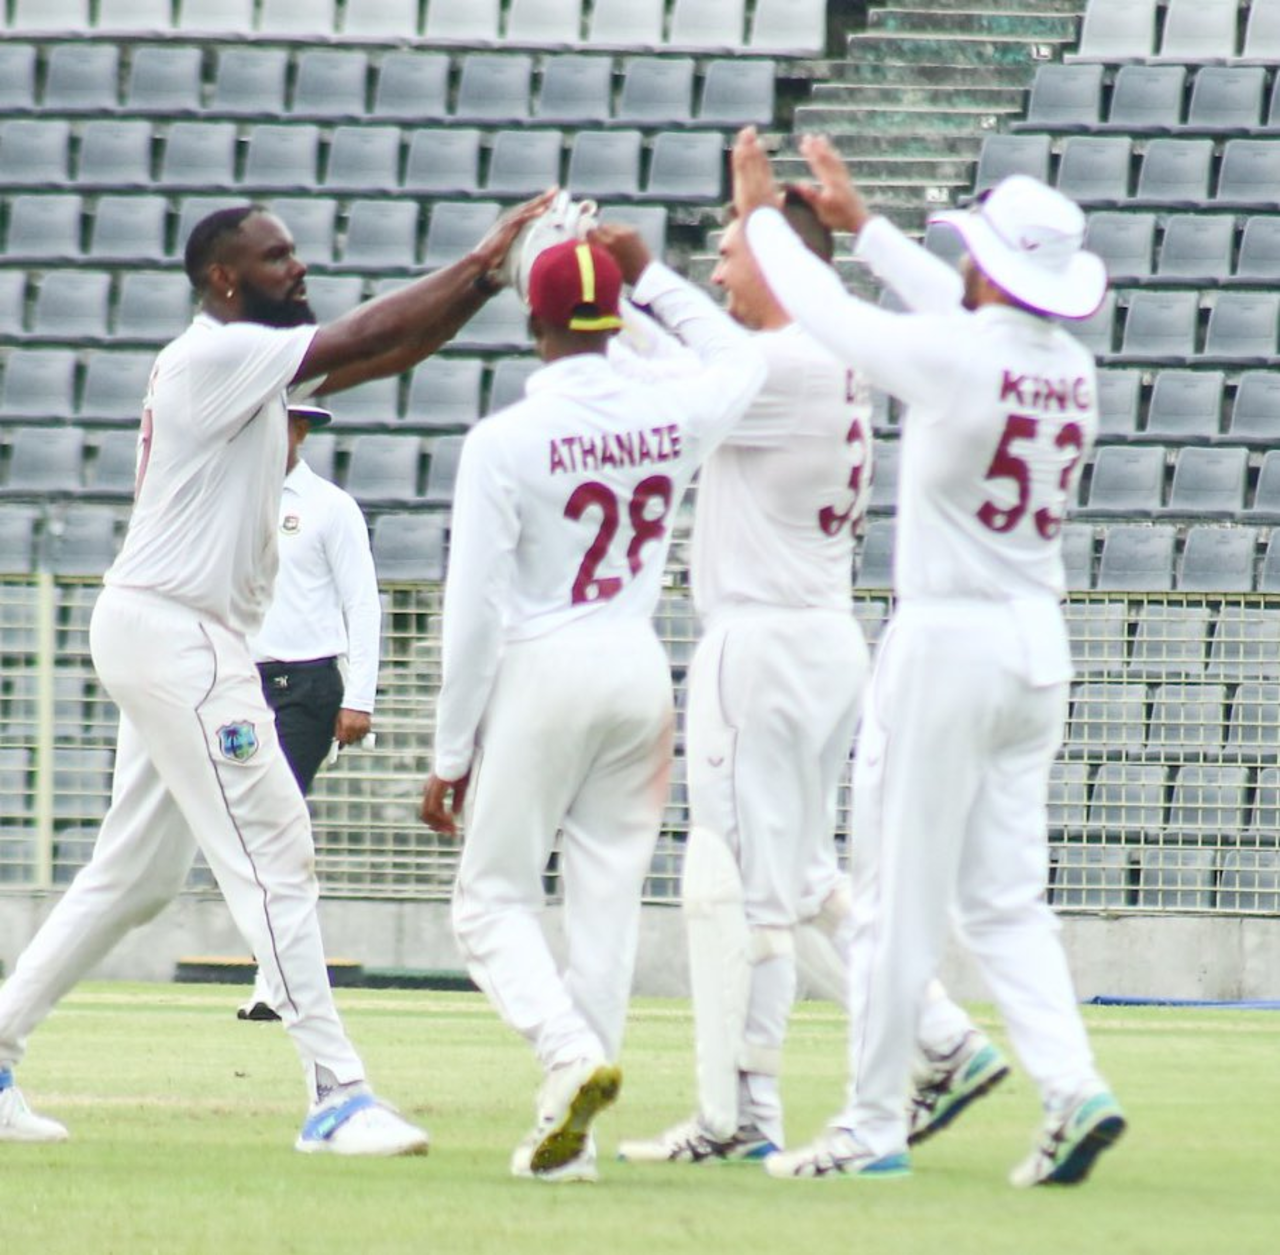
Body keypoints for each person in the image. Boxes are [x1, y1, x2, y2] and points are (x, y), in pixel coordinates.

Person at [0, 190, 553, 1154]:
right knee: (275, 847)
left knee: (135, 877)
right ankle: (336, 1093)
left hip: (163, 629)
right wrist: (481, 260)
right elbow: (364, 332)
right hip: (181, 635)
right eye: (275, 255)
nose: (297, 266)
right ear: (223, 278)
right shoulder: (216, 353)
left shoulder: (248, 362)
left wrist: (490, 281)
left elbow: (392, 352)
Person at [730, 127, 1127, 1187]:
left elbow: (827, 315)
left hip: (948, 641)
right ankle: (1071, 1086)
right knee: (1004, 900)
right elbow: (955, 312)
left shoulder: (958, 357)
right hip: (1035, 646)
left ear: (986, 264)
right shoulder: (1070, 370)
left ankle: (870, 1125)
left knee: (892, 899)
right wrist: (864, 229)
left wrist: (764, 221)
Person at [420, 230, 767, 1182]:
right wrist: (655, 276)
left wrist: (452, 750)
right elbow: (741, 358)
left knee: (490, 902)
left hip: (544, 663)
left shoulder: (503, 440)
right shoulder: (669, 408)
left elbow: (474, 609)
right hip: (637, 662)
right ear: (617, 318)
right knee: (605, 908)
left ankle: (568, 1053)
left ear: (531, 320)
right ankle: (564, 1139)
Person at [237, 401, 381, 1023]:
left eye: (286, 423)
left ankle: (275, 981)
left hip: (307, 685)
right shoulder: (231, 499)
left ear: (299, 431)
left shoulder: (330, 506)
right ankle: (282, 972)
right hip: (242, 684)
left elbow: (362, 602)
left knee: (275, 824)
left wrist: (359, 698)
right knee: (252, 832)